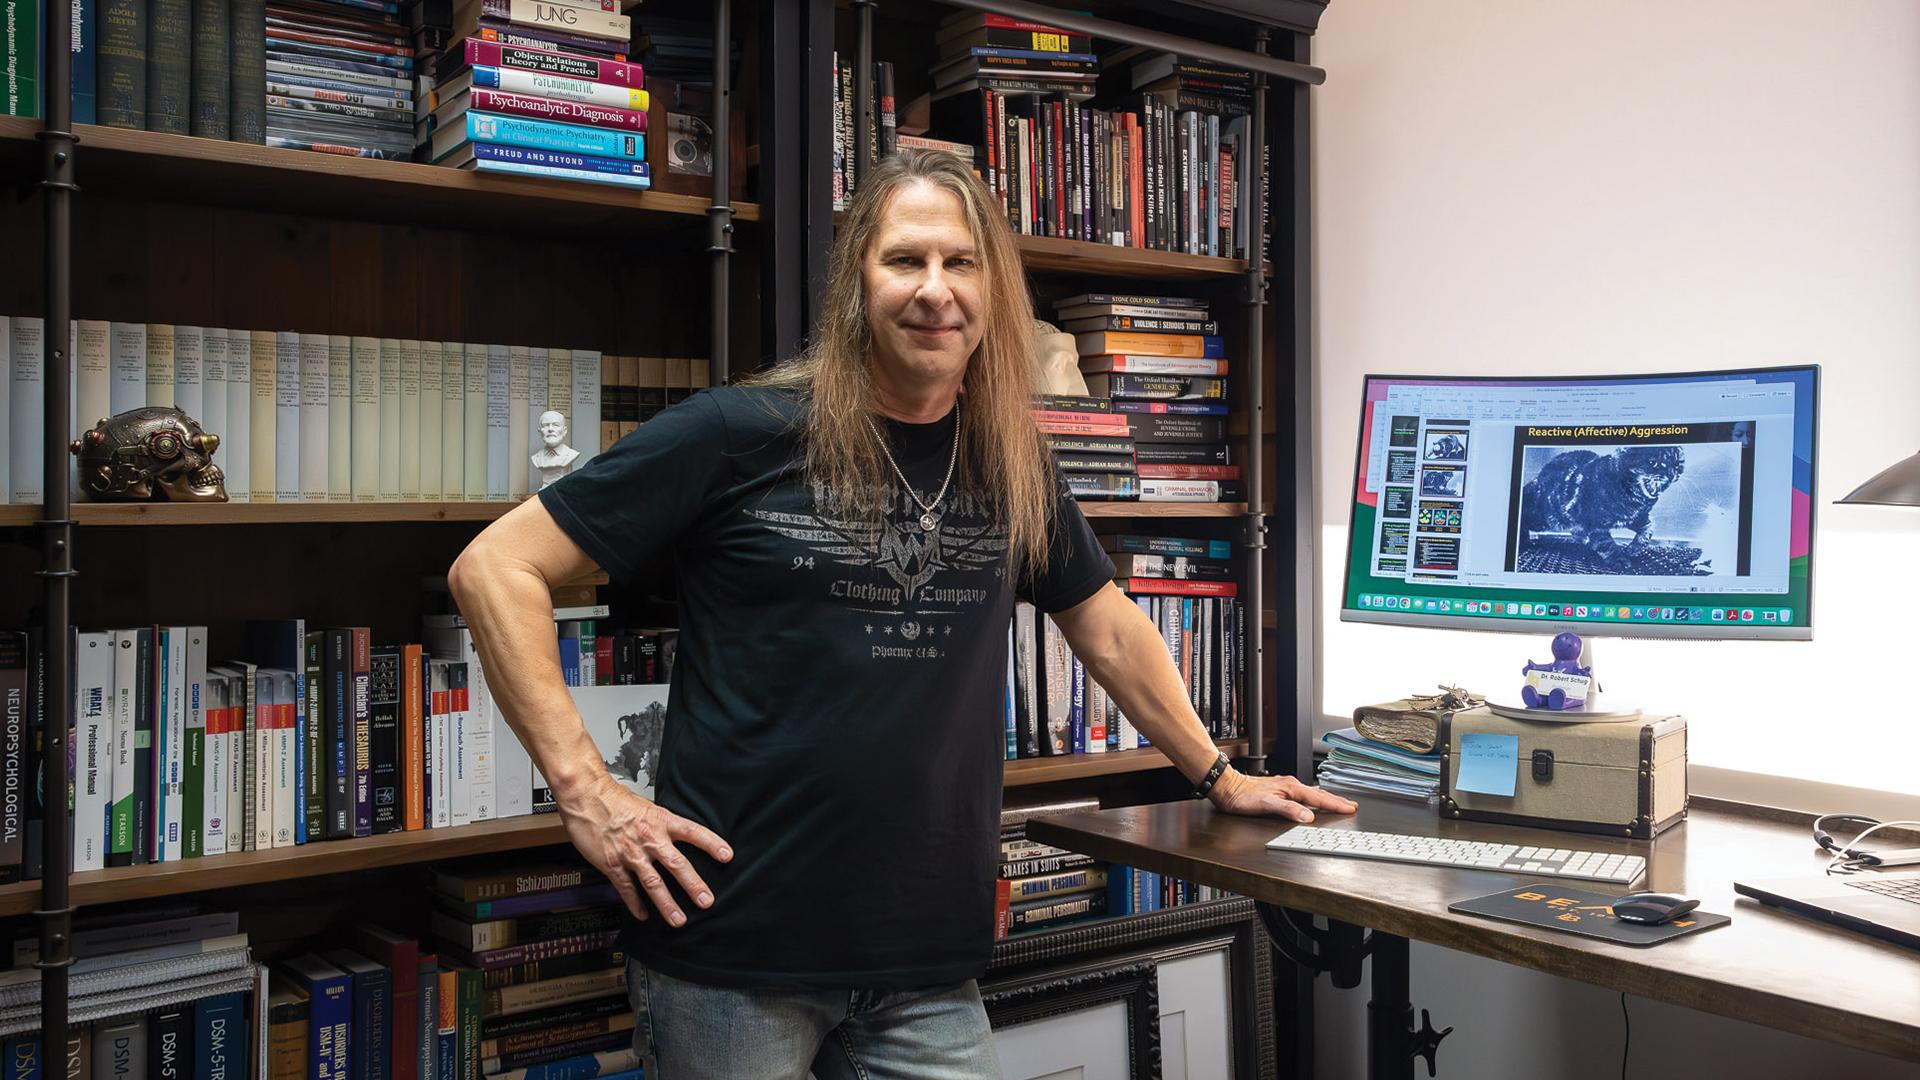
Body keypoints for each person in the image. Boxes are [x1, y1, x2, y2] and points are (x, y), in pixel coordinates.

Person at [447, 149, 1356, 1080]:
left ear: (994, 290)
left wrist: (1218, 774)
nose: (935, 291)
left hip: (925, 963)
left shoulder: (1011, 460)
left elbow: (1108, 625)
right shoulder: (737, 433)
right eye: (905, 261)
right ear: (857, 284)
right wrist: (587, 793)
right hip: (730, 952)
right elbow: (496, 567)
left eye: (960, 263)